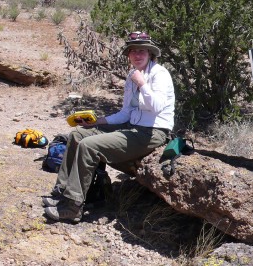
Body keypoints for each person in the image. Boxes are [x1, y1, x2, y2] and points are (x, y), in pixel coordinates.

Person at [44, 31, 175, 222]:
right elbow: (125, 113)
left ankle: (73, 207)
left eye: (142, 51)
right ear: (128, 55)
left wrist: (142, 84)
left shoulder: (159, 74)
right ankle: (62, 192)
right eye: (133, 52)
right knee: (78, 134)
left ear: (150, 54)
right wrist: (98, 121)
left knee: (89, 146)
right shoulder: (132, 75)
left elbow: (156, 106)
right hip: (132, 126)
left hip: (152, 133)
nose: (137, 55)